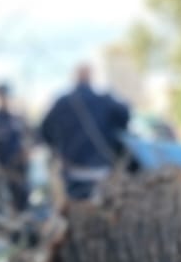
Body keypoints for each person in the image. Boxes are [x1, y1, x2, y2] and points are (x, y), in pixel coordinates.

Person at [38, 65, 131, 201]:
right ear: (91, 77)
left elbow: (44, 131)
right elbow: (125, 117)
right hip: (103, 172)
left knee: (77, 214)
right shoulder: (105, 100)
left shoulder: (62, 103)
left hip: (73, 173)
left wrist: (58, 151)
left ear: (75, 78)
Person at [0, 83, 30, 212]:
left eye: (6, 96)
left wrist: (26, 153)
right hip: (0, 172)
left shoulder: (19, 120)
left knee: (21, 206)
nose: (3, 99)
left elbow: (32, 141)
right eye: (1, 96)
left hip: (19, 173)